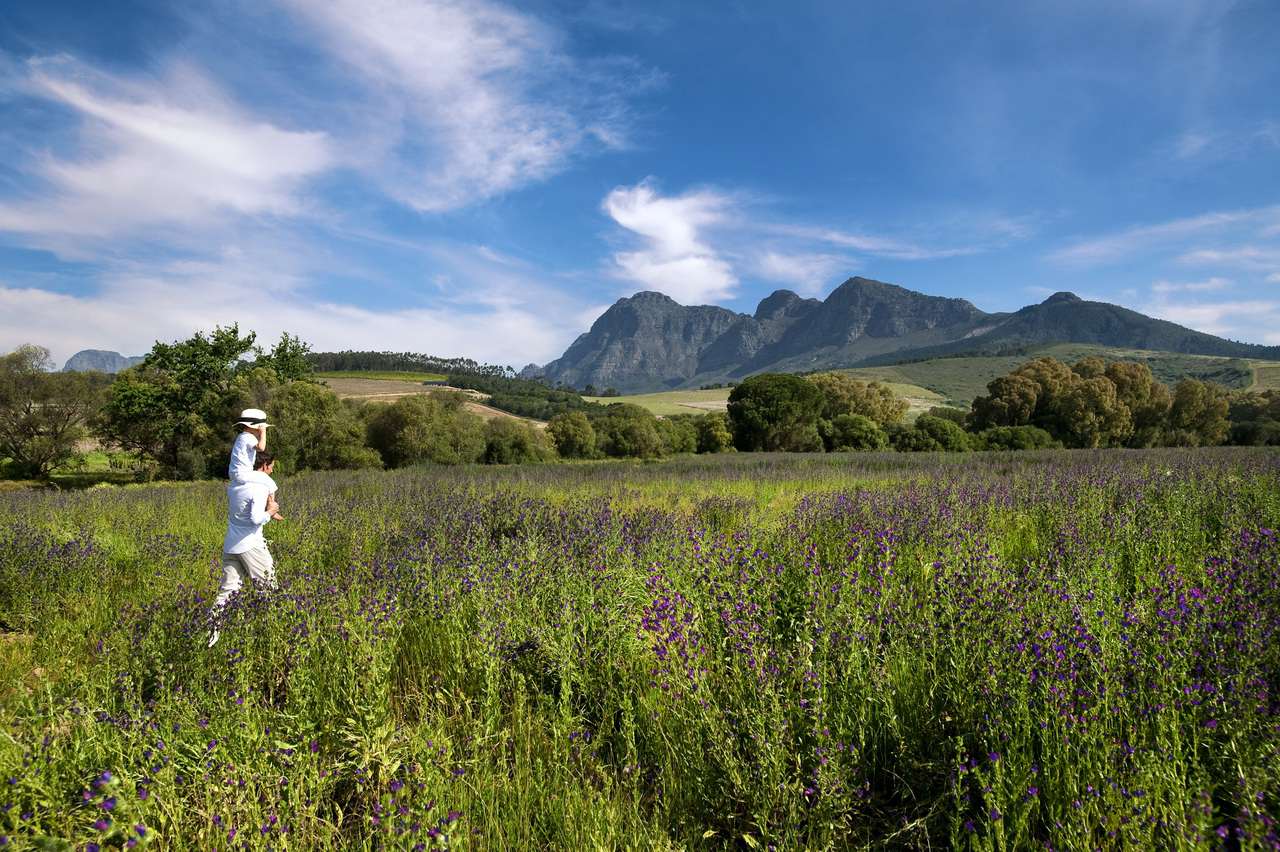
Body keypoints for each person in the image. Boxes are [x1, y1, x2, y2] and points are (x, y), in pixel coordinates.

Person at [208, 451, 284, 647]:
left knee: (227, 590)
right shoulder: (258, 487)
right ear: (265, 465)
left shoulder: (235, 485)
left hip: (231, 546)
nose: (273, 469)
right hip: (251, 546)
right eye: (272, 465)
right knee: (268, 588)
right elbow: (256, 518)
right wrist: (271, 512)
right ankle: (271, 633)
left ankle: (211, 631)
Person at [229, 408, 271, 482]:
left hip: (235, 472)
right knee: (266, 481)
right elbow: (261, 448)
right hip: (244, 473)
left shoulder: (241, 436)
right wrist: (263, 433)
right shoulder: (249, 437)